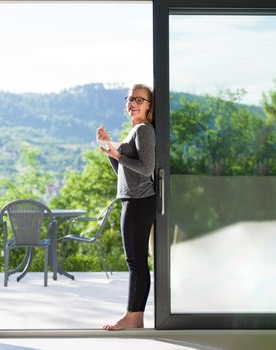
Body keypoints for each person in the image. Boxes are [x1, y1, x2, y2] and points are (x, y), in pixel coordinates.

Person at [97, 84, 156, 330]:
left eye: (139, 99)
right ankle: (135, 317)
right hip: (132, 198)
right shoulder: (135, 131)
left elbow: (146, 169)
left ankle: (133, 316)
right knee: (135, 260)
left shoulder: (143, 130)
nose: (132, 103)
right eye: (130, 99)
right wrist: (112, 152)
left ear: (149, 106)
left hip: (139, 201)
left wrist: (119, 155)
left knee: (136, 261)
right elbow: (123, 172)